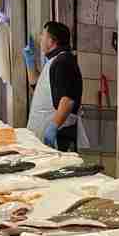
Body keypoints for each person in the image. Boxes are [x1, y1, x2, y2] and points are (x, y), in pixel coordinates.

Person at [23, 21, 83, 152]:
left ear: (51, 41)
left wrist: (53, 127)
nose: (40, 38)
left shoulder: (63, 61)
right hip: (45, 130)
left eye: (43, 35)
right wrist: (30, 63)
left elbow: (67, 100)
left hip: (58, 134)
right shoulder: (55, 60)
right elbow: (37, 86)